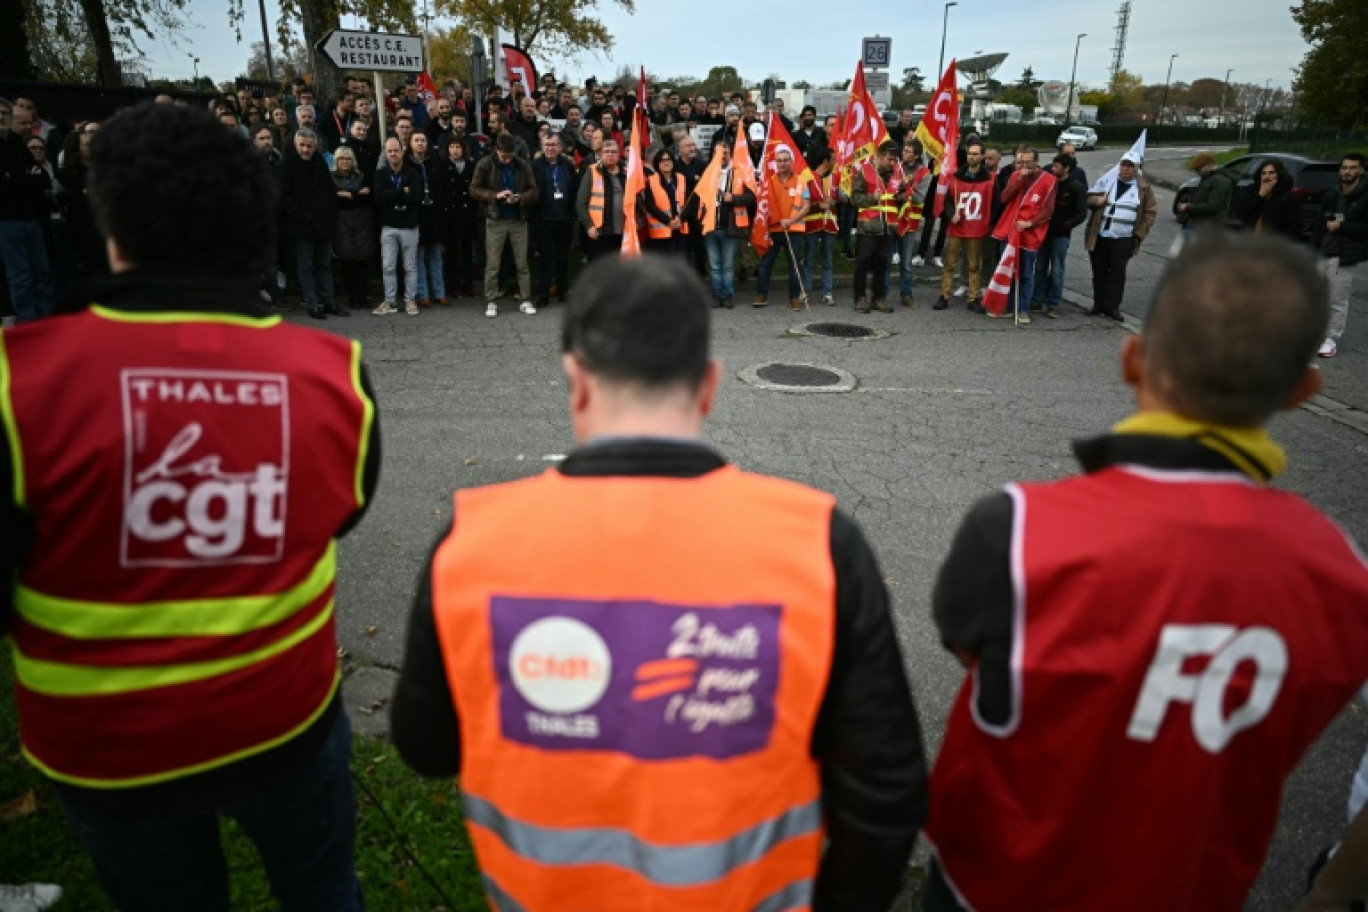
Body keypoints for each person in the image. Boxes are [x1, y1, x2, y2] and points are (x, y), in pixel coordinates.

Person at [391, 253, 928, 912]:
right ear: (708, 385)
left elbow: (426, 747)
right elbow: (886, 793)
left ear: (576, 380)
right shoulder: (819, 544)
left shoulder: (470, 542)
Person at [0, 100, 378, 912]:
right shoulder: (333, 371)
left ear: (111, 228)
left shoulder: (19, 379)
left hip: (108, 747)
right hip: (286, 719)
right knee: (321, 891)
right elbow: (340, 512)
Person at [923, 233, 1368, 912]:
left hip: (995, 882)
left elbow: (972, 654)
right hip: (1190, 888)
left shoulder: (1015, 527)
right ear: (1305, 390)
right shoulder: (1345, 577)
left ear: (1132, 358)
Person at [470, 132, 538, 318]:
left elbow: (534, 190)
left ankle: (525, 299)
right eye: (504, 156)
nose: (507, 160)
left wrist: (520, 198)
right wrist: (495, 196)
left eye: (510, 156)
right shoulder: (485, 163)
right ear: (496, 151)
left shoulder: (522, 165)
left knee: (522, 263)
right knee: (492, 264)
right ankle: (490, 301)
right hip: (495, 219)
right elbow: (473, 189)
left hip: (518, 219)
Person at [1085, 150, 1157, 322]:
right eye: (1124, 165)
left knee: (1117, 274)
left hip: (1124, 239)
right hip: (1101, 236)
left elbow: (1150, 213)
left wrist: (1139, 235)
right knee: (1099, 272)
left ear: (1137, 168)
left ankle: (1112, 307)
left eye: (1130, 166)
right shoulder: (1106, 182)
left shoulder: (1144, 189)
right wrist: (1097, 202)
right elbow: (1088, 199)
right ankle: (1098, 304)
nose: (1126, 169)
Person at [0, 98, 55, 321]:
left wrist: (19, 179)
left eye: (5, 113)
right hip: (7, 221)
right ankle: (29, 323)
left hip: (31, 218)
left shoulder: (17, 145)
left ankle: (45, 320)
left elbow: (41, 177)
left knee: (42, 272)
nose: (2, 118)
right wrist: (25, 179)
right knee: (20, 276)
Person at [278, 128, 340, 320]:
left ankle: (329, 301)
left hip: (324, 225)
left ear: (315, 146)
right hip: (301, 226)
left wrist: (330, 216)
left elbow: (330, 192)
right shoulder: (286, 165)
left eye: (309, 146)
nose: (305, 150)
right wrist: (301, 215)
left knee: (324, 265)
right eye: (302, 146)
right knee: (305, 266)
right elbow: (284, 197)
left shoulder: (320, 162)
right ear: (295, 145)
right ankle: (312, 303)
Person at [1308, 152, 1366, 358]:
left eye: (1352, 168)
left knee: (1336, 300)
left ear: (1361, 170)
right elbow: (1320, 220)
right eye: (1344, 168)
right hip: (1323, 250)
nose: (1347, 172)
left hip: (1345, 255)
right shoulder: (1334, 192)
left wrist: (1343, 226)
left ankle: (1331, 339)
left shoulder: (1365, 195)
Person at [935, 140, 994, 313]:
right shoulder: (956, 177)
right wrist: (950, 213)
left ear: (982, 156)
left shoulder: (989, 180)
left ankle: (973, 297)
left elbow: (994, 204)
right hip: (957, 226)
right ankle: (944, 296)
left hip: (976, 228)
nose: (972, 157)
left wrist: (989, 225)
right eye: (969, 153)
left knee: (974, 265)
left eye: (976, 153)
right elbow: (947, 201)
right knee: (950, 263)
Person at [1030, 152, 1088, 318]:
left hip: (1061, 235)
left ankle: (1053, 304)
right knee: (1040, 268)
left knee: (1057, 270)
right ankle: (1037, 300)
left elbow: (1082, 213)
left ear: (1067, 168)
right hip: (1044, 233)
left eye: (1057, 166)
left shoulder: (1075, 187)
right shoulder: (1049, 183)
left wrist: (1067, 225)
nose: (1053, 168)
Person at [753, 146, 810, 311]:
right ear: (775, 163)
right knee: (765, 264)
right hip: (773, 229)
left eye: (786, 160)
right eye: (779, 160)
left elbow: (806, 207)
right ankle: (761, 295)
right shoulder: (768, 182)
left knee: (795, 266)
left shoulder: (801, 181)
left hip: (795, 231)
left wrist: (791, 221)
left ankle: (793, 298)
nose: (782, 163)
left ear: (792, 162)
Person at [700, 139, 755, 309]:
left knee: (728, 265)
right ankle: (717, 295)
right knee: (715, 266)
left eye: (725, 151)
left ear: (730, 152)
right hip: (710, 226)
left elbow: (751, 197)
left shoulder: (739, 172)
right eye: (719, 152)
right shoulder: (707, 172)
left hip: (730, 227)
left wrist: (733, 198)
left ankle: (729, 295)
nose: (722, 155)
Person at [850, 141, 901, 313]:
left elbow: (898, 199)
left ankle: (879, 298)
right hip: (869, 227)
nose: (892, 163)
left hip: (888, 228)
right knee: (863, 264)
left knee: (882, 264)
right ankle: (860, 298)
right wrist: (872, 197)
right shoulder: (864, 171)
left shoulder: (897, 175)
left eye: (894, 160)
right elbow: (854, 198)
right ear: (879, 156)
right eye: (889, 159)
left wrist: (902, 196)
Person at [374, 136, 422, 316]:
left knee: (409, 266)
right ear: (385, 154)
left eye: (396, 150)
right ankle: (390, 301)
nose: (393, 154)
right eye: (390, 151)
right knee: (388, 266)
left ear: (402, 151)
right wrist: (402, 191)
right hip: (389, 227)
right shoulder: (380, 174)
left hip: (409, 226)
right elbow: (380, 197)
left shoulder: (413, 173)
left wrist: (392, 194)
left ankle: (410, 300)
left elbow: (416, 197)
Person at [530, 133, 578, 308]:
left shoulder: (567, 165)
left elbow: (574, 189)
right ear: (542, 147)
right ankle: (543, 295)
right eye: (547, 144)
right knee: (545, 259)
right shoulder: (535, 166)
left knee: (563, 258)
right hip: (544, 219)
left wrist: (572, 214)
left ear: (560, 148)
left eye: (554, 145)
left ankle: (562, 292)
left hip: (564, 218)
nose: (550, 148)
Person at [887, 139, 933, 308]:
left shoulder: (925, 174)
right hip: (892, 219)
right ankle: (882, 295)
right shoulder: (894, 168)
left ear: (917, 155)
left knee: (906, 263)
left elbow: (920, 198)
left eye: (908, 151)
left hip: (909, 222)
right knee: (886, 260)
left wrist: (907, 188)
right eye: (903, 150)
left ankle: (906, 294)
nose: (903, 154)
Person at [407, 132, 449, 308]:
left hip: (434, 215)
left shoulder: (435, 162)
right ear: (410, 144)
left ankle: (440, 293)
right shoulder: (406, 164)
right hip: (417, 215)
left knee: (436, 256)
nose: (420, 144)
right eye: (416, 140)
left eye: (423, 140)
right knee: (419, 257)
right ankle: (423, 294)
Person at [330, 146, 374, 312]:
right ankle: (353, 298)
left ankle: (364, 296)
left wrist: (346, 195)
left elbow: (366, 199)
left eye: (348, 159)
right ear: (337, 161)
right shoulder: (331, 177)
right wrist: (356, 195)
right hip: (342, 225)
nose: (345, 162)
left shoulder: (361, 176)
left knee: (362, 263)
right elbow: (335, 201)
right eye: (342, 159)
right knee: (347, 264)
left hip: (362, 223)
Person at [576, 139, 627, 261]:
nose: (610, 154)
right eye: (607, 151)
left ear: (619, 154)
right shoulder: (592, 170)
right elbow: (581, 202)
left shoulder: (626, 172)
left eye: (613, 152)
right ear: (601, 154)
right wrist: (589, 226)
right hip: (600, 232)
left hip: (623, 231)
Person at [442, 135, 478, 299]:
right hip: (450, 214)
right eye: (452, 147)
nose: (455, 150)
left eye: (458, 147)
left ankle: (468, 285)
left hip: (467, 213)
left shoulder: (471, 165)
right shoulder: (443, 165)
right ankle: (453, 286)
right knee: (452, 253)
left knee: (467, 252)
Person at [1232, 158, 1303, 242]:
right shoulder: (1251, 190)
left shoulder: (1286, 196)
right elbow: (1241, 213)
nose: (1267, 176)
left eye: (1271, 173)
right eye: (1263, 173)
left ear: (1279, 174)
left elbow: (1294, 228)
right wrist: (1260, 195)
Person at [804, 148, 839, 306]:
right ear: (825, 161)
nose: (835, 162)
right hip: (812, 225)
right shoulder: (808, 178)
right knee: (809, 260)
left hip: (830, 225)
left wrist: (835, 201)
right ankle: (805, 292)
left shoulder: (836, 178)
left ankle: (827, 292)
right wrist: (819, 205)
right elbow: (800, 204)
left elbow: (844, 198)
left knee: (828, 261)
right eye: (833, 159)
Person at [641, 147, 688, 255]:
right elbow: (650, 206)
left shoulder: (681, 178)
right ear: (657, 163)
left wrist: (681, 218)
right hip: (662, 231)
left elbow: (689, 203)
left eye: (668, 159)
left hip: (680, 228)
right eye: (662, 160)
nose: (666, 162)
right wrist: (669, 221)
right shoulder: (651, 181)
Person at [1178, 151, 1235, 234]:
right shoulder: (1207, 178)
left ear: (1209, 165)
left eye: (1198, 169)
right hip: (1196, 224)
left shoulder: (1221, 181)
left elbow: (1213, 206)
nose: (1197, 172)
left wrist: (1188, 207)